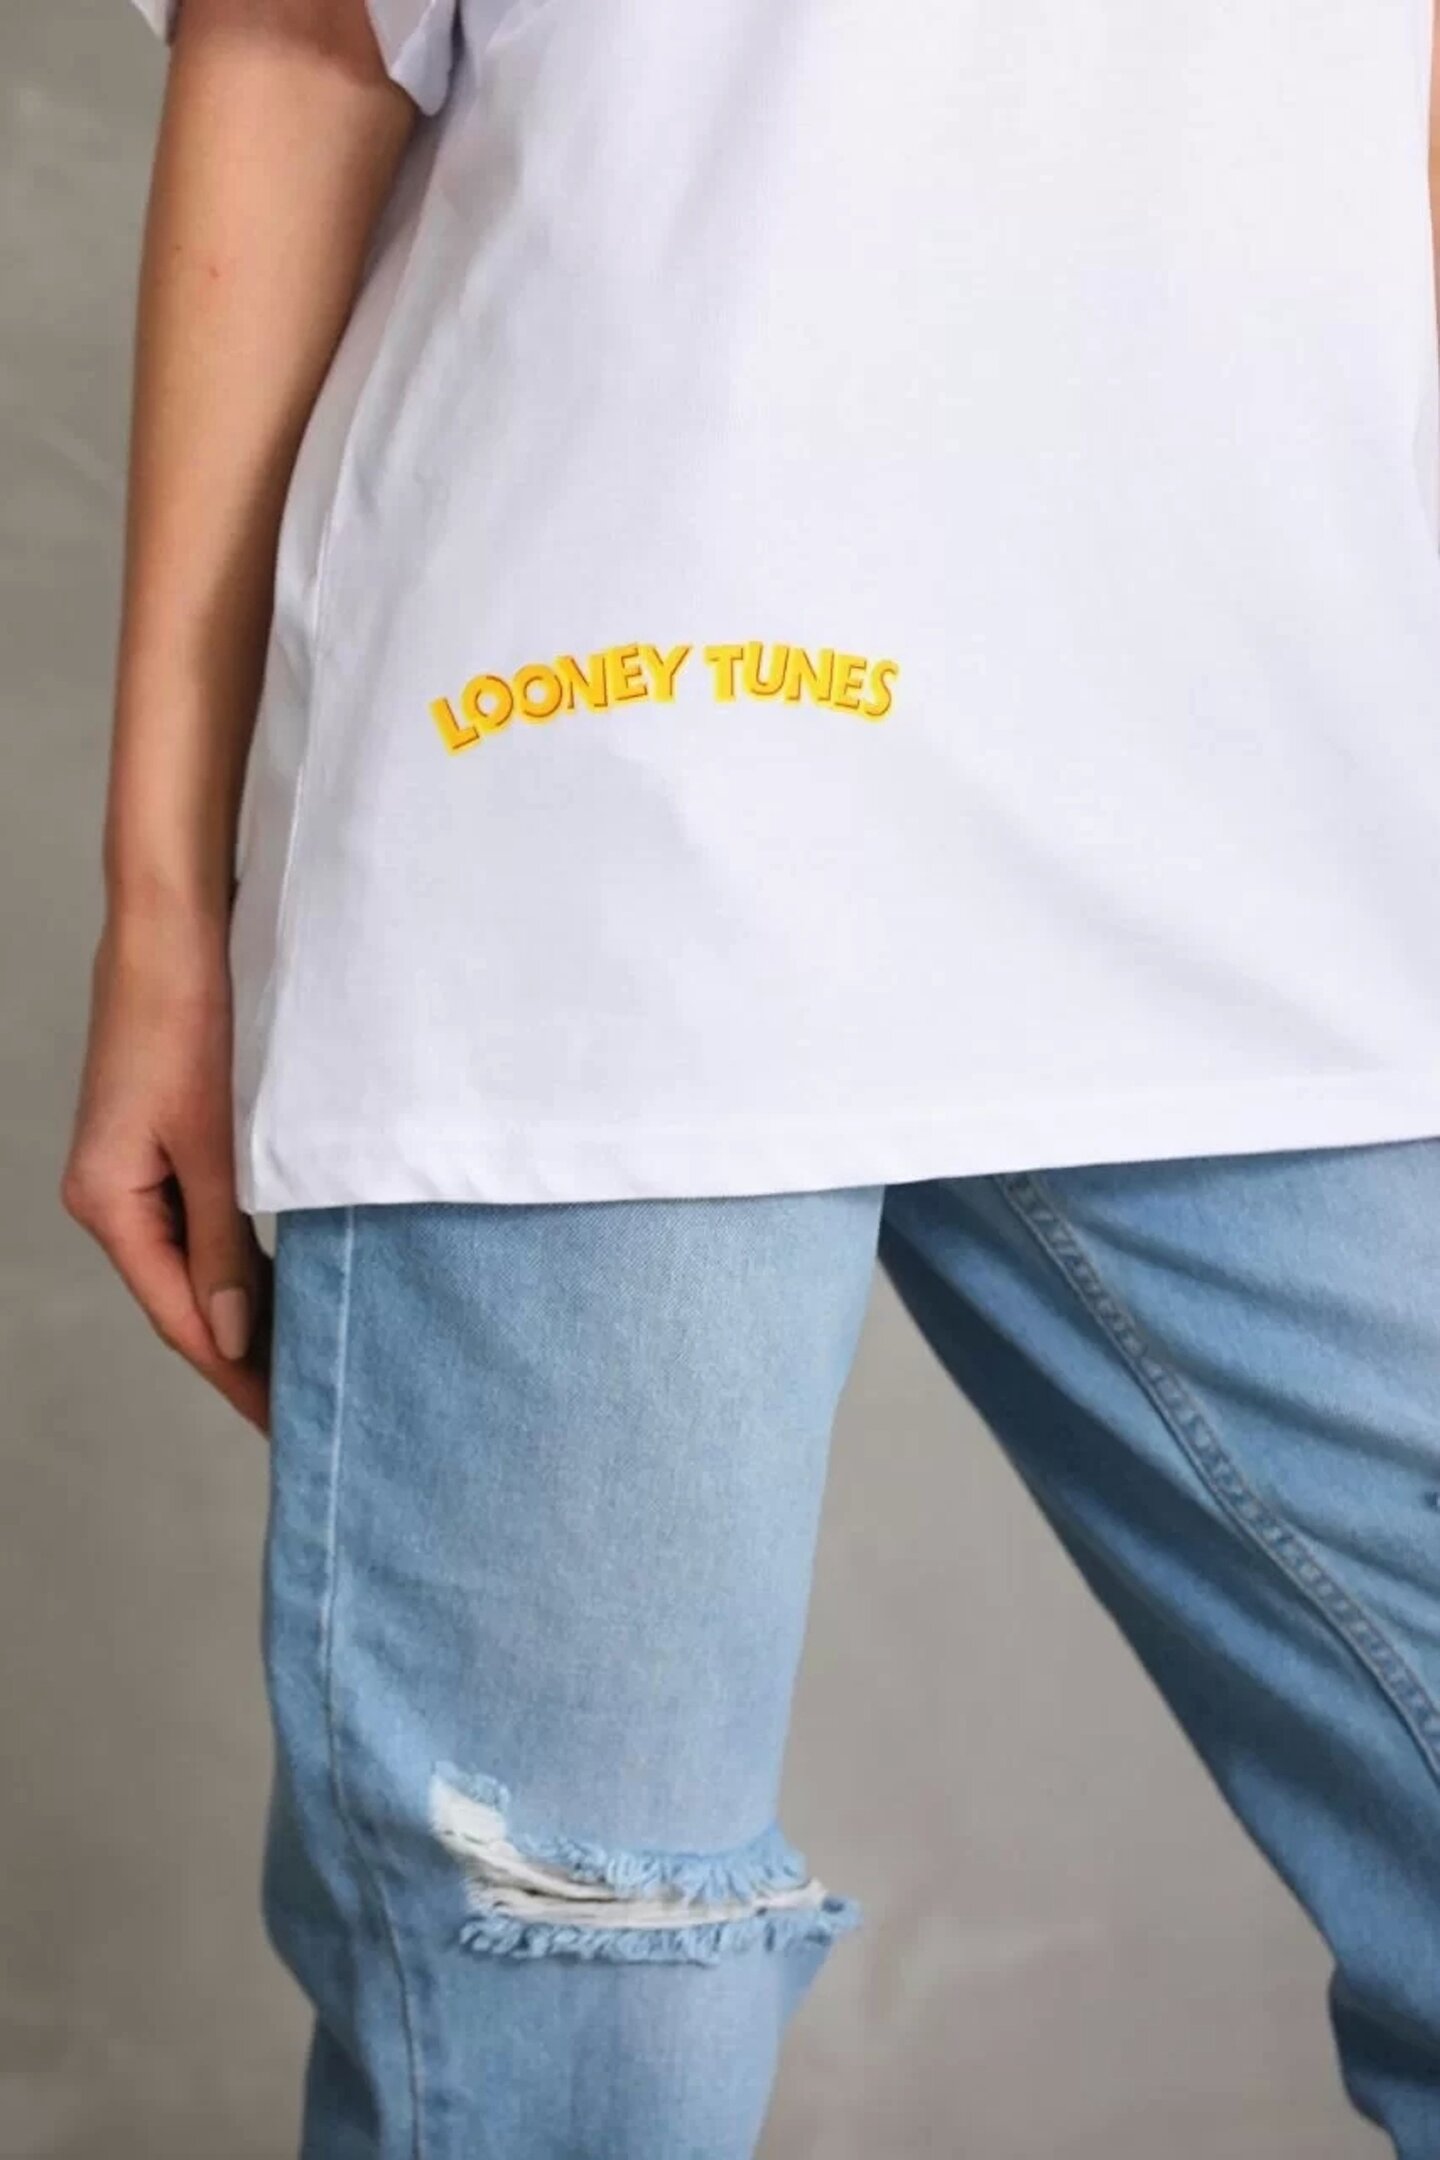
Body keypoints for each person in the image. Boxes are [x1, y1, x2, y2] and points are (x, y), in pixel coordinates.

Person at [64, 0, 1440, 2152]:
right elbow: (301, 56)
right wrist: (164, 907)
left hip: (1274, 799)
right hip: (611, 797)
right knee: (574, 2045)